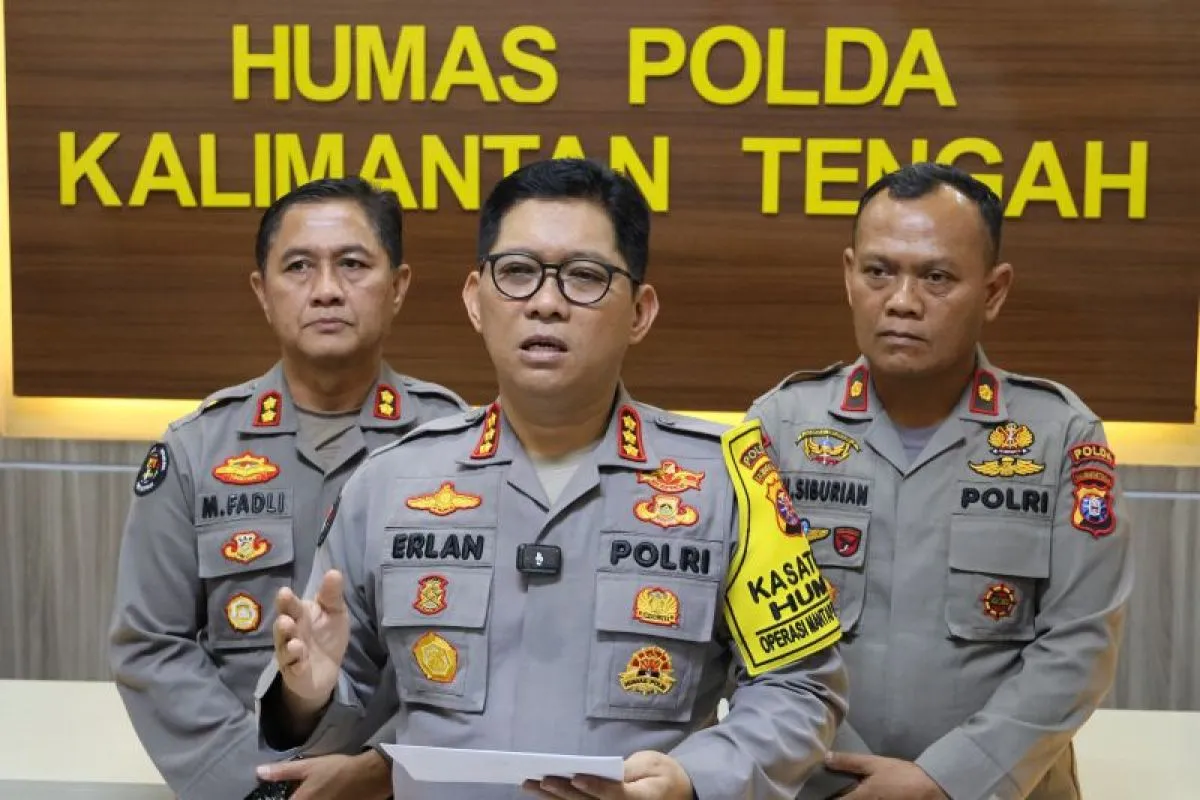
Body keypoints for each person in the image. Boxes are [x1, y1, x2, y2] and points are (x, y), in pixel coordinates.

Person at [252, 158, 849, 800]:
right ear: (475, 300)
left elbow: (800, 685)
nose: (545, 302)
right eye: (517, 273)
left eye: (584, 277)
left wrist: (695, 778)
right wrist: (305, 695)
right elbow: (337, 693)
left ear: (640, 311)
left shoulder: (728, 482)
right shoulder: (391, 483)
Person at [747, 162, 1133, 800]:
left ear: (994, 290)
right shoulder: (779, 429)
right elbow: (746, 633)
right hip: (818, 786)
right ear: (849, 276)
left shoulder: (1060, 436)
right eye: (879, 271)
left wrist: (945, 779)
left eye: (936, 277)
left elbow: (1080, 644)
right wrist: (839, 774)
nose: (902, 300)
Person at [109, 176, 468, 800]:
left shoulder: (457, 448)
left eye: (353, 264)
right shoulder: (197, 449)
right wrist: (262, 785)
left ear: (398, 286)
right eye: (299, 266)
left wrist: (380, 774)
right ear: (263, 292)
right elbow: (151, 644)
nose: (326, 289)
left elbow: (488, 653)